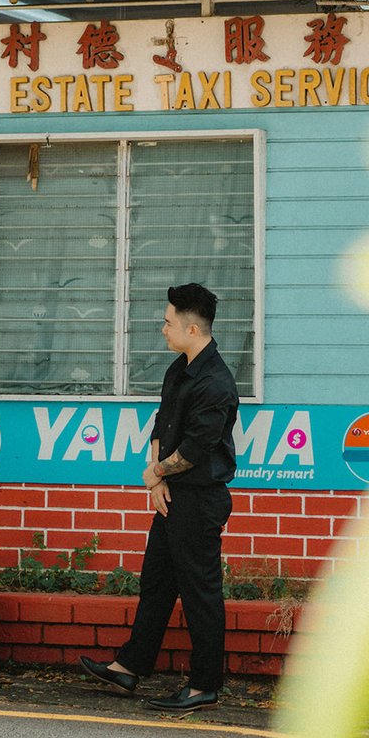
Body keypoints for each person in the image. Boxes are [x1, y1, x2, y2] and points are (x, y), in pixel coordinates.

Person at [80, 283, 239, 711]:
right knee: (156, 584)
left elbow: (196, 448)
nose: (163, 329)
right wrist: (157, 481)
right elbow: (162, 426)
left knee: (201, 594)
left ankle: (204, 685)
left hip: (199, 501)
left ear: (192, 328)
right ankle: (129, 667)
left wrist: (156, 472)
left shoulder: (216, 382)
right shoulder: (179, 369)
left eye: (168, 323)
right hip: (171, 496)